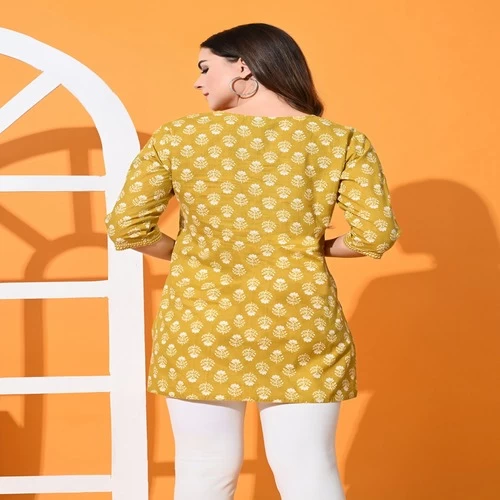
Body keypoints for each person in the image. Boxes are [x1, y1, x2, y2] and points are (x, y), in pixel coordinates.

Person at [105, 22, 401, 500]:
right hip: (299, 324)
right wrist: (315, 248)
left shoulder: (180, 137)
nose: (198, 82)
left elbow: (127, 227)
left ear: (242, 67)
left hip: (201, 324)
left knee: (203, 471)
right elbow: (375, 236)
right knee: (308, 470)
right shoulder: (340, 141)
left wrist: (191, 254)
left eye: (206, 68)